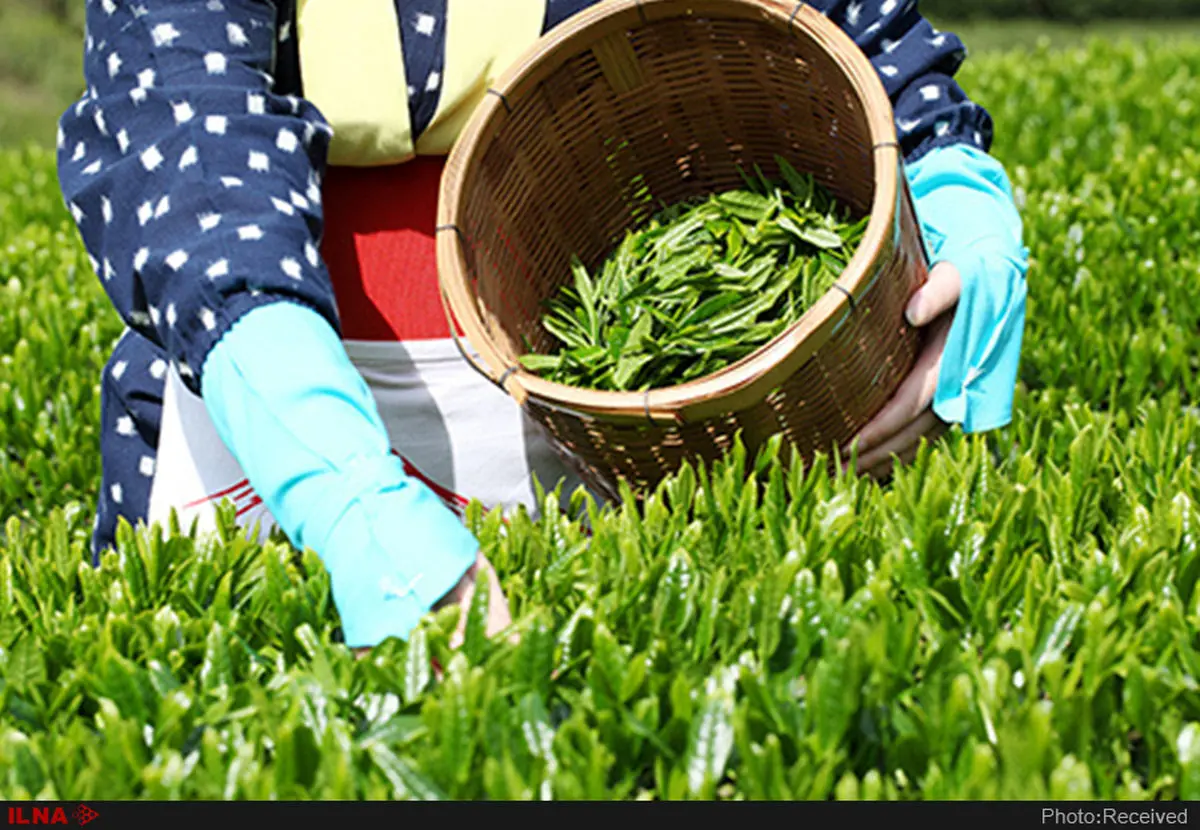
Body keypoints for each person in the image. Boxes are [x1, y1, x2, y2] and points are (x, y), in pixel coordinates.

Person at [57, 0, 1028, 653]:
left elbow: (852, 30)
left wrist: (950, 190)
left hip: (612, 394)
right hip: (273, 392)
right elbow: (183, 132)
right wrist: (340, 487)